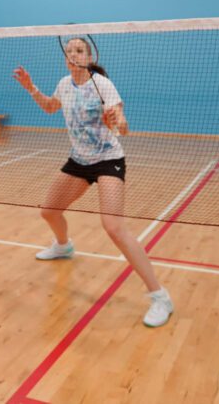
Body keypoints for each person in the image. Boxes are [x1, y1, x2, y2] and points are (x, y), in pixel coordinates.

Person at [13, 37, 174, 328]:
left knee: (113, 227)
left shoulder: (102, 85)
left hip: (108, 160)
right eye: (69, 51)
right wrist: (31, 88)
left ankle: (160, 297)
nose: (73, 55)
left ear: (89, 57)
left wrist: (117, 119)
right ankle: (64, 246)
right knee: (49, 211)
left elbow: (123, 127)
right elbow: (50, 107)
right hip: (79, 160)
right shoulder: (64, 84)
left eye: (79, 50)